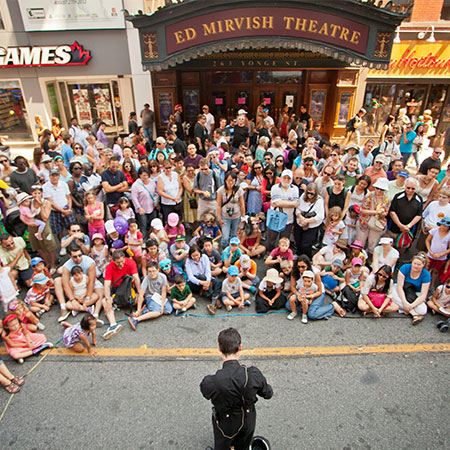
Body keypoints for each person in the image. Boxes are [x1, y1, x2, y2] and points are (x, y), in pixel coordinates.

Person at [200, 327, 273, 450]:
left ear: (219, 348)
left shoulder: (211, 382)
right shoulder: (253, 375)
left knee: (222, 444)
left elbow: (205, 393)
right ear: (240, 347)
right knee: (244, 444)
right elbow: (268, 393)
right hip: (248, 418)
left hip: (225, 422)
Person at [103, 250, 141, 338]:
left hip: (128, 289)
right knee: (105, 302)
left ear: (124, 258)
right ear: (113, 261)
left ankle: (122, 306)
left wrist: (139, 292)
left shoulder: (130, 262)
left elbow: (136, 278)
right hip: (117, 290)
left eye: (122, 261)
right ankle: (113, 325)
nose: (121, 264)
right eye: (118, 262)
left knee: (141, 297)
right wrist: (107, 297)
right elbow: (107, 284)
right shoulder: (109, 267)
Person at [393, 253, 430, 325]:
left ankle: (403, 308)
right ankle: (414, 314)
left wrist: (411, 305)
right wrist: (404, 302)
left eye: (418, 265)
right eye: (414, 263)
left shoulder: (426, 274)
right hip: (401, 288)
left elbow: (423, 295)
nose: (416, 266)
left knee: (423, 311)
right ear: (412, 262)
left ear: (423, 265)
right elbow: (399, 287)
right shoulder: (405, 268)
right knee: (393, 295)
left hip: (415, 292)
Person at [267, 169, 299, 251]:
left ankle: (281, 254)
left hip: (288, 219)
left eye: (289, 178)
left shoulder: (295, 189)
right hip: (275, 217)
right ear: (281, 178)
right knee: (271, 238)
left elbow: (296, 204)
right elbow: (276, 203)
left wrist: (281, 202)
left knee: (284, 239)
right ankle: (269, 253)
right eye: (284, 177)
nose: (286, 180)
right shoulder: (275, 188)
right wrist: (290, 203)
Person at [185, 245, 222, 315]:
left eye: (197, 255)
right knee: (201, 277)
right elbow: (191, 277)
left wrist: (207, 282)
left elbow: (208, 271)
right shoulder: (188, 261)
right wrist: (202, 283)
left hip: (205, 279)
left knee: (218, 282)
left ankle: (212, 303)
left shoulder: (204, 257)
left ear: (200, 253)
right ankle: (214, 299)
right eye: (193, 256)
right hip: (195, 282)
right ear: (190, 255)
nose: (195, 258)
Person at [216, 171, 245, 247]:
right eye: (229, 180)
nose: (231, 182)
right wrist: (219, 218)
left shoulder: (239, 190)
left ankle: (232, 251)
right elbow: (218, 205)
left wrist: (243, 217)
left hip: (236, 216)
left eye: (233, 180)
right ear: (225, 180)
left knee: (234, 235)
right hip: (225, 216)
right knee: (225, 237)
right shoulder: (221, 190)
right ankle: (224, 250)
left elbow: (242, 204)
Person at [157, 160, 183, 224]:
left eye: (170, 168)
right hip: (167, 203)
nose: (168, 170)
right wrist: (172, 198)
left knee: (178, 220)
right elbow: (160, 191)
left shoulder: (176, 175)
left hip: (177, 202)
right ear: (163, 168)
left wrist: (178, 197)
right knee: (168, 221)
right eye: (166, 168)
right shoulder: (160, 177)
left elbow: (180, 187)